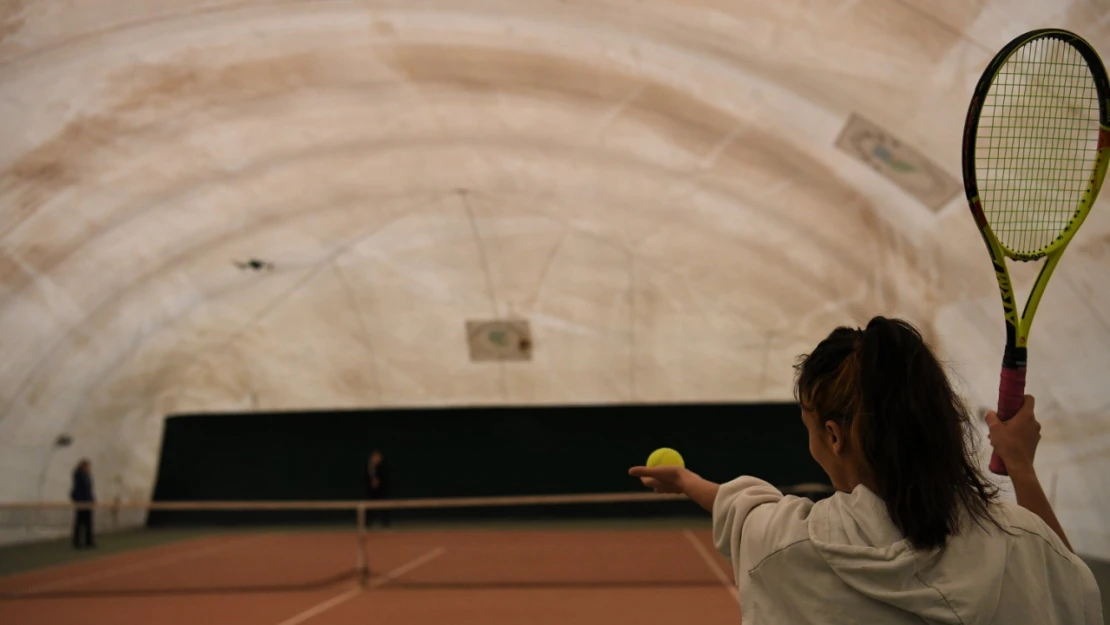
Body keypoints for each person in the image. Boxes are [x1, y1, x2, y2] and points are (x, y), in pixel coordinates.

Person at [631, 316, 1102, 624]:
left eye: (810, 427)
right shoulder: (1023, 544)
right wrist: (1021, 467)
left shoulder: (787, 547)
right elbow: (1069, 586)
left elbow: (745, 509)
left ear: (834, 437)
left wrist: (689, 483)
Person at [70, 459, 96, 549]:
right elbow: (77, 490)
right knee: (80, 523)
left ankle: (89, 541)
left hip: (88, 502)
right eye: (86, 466)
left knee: (89, 523)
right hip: (81, 502)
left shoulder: (88, 477)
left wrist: (92, 500)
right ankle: (77, 542)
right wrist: (78, 500)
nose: (88, 468)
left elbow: (89, 490)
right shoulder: (78, 476)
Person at [365, 449, 390, 528]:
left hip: (382, 491)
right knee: (370, 507)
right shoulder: (369, 467)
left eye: (378, 457)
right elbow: (366, 478)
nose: (376, 458)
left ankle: (385, 523)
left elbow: (385, 478)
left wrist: (379, 481)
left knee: (384, 507)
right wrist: (372, 483)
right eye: (375, 457)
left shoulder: (383, 467)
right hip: (371, 491)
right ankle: (368, 523)